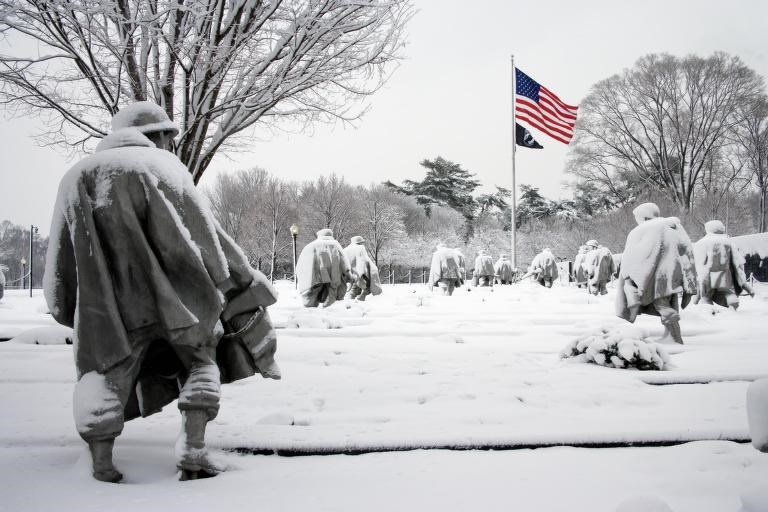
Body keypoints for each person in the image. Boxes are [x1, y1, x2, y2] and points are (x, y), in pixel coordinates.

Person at [44, 102, 280, 483]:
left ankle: (101, 461)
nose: (170, 144)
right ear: (156, 135)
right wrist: (239, 278)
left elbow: (61, 257)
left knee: (104, 375)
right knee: (201, 363)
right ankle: (194, 446)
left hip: (110, 308)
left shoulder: (75, 178)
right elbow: (207, 237)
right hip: (184, 302)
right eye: (168, 137)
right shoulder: (166, 169)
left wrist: (67, 305)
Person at [615, 202, 697, 344]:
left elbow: (634, 258)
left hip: (655, 277)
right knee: (667, 303)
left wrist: (631, 281)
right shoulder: (675, 227)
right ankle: (671, 336)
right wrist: (689, 281)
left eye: (638, 217)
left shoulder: (643, 230)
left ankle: (675, 338)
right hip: (672, 275)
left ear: (645, 217)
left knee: (662, 306)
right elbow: (687, 254)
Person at [693, 220, 755, 310]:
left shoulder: (700, 244)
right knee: (728, 294)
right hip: (724, 276)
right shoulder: (729, 243)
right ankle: (732, 306)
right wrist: (744, 284)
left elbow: (698, 265)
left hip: (707, 278)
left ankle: (710, 315)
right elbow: (737, 264)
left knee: (706, 298)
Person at [296, 228, 355, 307]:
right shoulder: (335, 245)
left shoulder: (310, 246)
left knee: (311, 302)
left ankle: (310, 315)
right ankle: (328, 312)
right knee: (331, 298)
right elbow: (344, 262)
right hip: (333, 277)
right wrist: (349, 275)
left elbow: (300, 265)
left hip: (314, 278)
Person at [343, 236, 382, 301]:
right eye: (362, 242)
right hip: (360, 271)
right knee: (368, 285)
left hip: (350, 272)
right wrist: (361, 274)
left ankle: (351, 298)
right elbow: (361, 261)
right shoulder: (360, 248)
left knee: (356, 286)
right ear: (359, 242)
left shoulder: (346, 250)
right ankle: (361, 297)